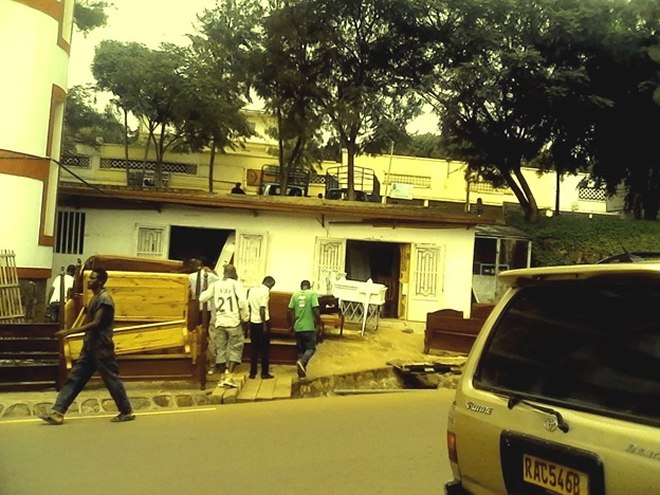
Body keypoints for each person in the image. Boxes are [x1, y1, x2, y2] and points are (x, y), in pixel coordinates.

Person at [39, 268, 134, 425]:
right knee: (75, 378)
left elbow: (96, 323)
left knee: (111, 379)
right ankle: (58, 412)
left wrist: (69, 332)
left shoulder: (105, 299)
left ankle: (126, 411)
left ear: (100, 281)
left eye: (93, 278)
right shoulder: (96, 298)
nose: (89, 281)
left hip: (101, 347)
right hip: (91, 346)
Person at [199, 264, 248, 388]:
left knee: (220, 349)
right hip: (233, 321)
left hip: (219, 321)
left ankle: (222, 377)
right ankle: (229, 376)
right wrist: (245, 317)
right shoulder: (236, 284)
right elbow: (243, 302)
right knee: (235, 348)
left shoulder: (215, 285)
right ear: (233, 273)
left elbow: (202, 298)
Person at [187, 258, 220, 374]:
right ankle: (211, 361)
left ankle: (197, 358)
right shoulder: (211, 276)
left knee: (195, 332)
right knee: (210, 335)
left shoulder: (190, 276)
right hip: (209, 308)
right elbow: (220, 280)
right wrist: (212, 271)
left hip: (196, 308)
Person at [288, 280, 322, 379]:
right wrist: (319, 323)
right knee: (311, 348)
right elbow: (315, 310)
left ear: (301, 287)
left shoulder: (295, 295)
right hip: (309, 327)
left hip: (298, 327)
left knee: (301, 351)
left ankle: (301, 375)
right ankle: (302, 362)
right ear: (309, 287)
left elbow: (289, 310)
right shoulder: (312, 294)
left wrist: (292, 325)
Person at [246, 276, 276, 379]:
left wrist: (249, 321)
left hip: (253, 322)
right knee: (265, 349)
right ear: (270, 283)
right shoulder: (265, 292)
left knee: (253, 348)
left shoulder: (252, 290)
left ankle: (252, 373)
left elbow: (249, 306)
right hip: (262, 322)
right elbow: (262, 309)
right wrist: (264, 325)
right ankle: (264, 373)